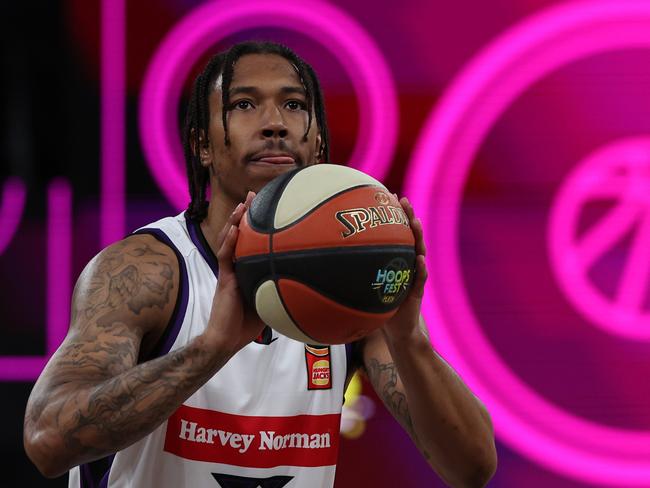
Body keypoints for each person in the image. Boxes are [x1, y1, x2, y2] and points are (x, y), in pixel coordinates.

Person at [24, 41, 497, 487]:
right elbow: (47, 440)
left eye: (294, 105)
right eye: (243, 104)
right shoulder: (148, 270)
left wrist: (408, 339)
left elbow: (472, 468)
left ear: (318, 146)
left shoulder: (348, 285)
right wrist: (211, 348)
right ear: (202, 145)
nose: (275, 123)